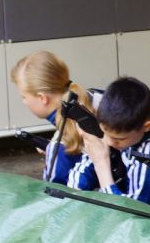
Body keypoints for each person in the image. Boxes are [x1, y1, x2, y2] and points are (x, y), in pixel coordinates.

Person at [69, 76, 150, 205]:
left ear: (147, 127)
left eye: (119, 139)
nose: (109, 142)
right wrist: (71, 195)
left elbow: (133, 209)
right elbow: (84, 169)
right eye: (104, 133)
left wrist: (101, 164)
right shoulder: (118, 123)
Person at [9, 50, 96, 184]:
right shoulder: (97, 97)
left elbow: (53, 193)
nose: (24, 102)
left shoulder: (59, 147)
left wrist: (53, 155)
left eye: (24, 97)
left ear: (42, 98)